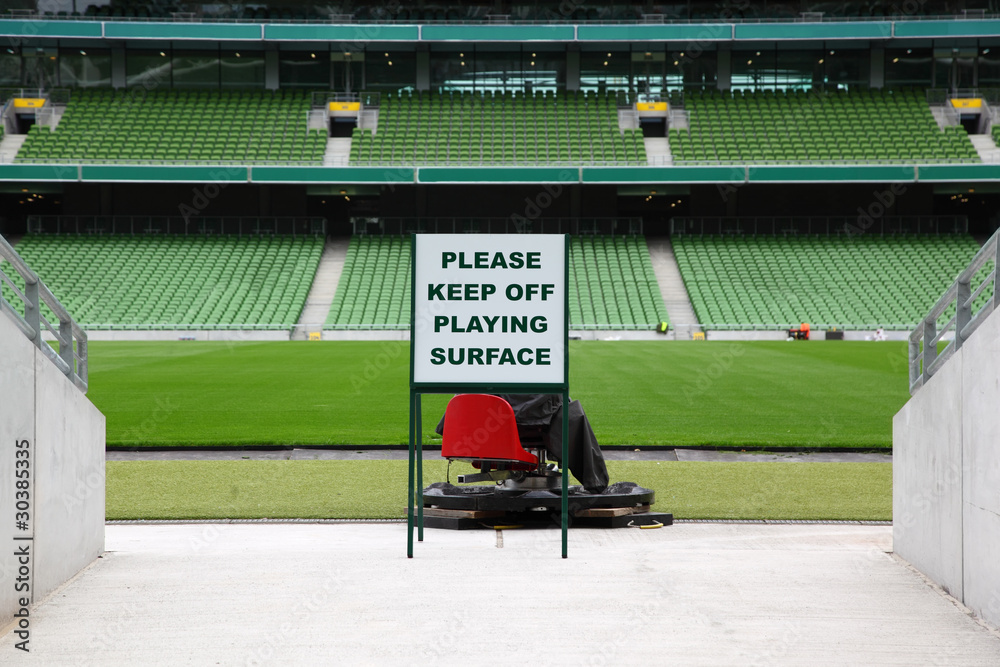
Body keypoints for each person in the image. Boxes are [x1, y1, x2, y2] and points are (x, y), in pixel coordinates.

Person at [436, 394, 609, 494]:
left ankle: (595, 481)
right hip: (536, 425)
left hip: (492, 424)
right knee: (569, 408)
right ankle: (595, 482)